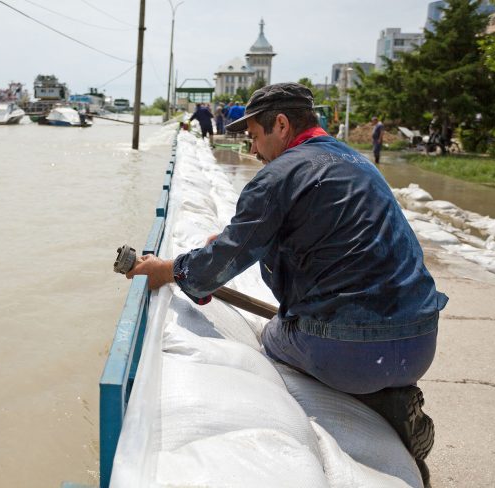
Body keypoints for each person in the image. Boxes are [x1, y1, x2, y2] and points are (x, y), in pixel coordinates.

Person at [126, 82, 446, 488]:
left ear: (280, 124)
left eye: (256, 138)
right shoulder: (358, 161)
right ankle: (388, 389)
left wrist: (168, 269)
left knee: (273, 336)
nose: (254, 152)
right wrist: (236, 243)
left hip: (349, 354)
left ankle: (379, 401)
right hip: (421, 341)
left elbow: (213, 270)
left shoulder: (277, 176)